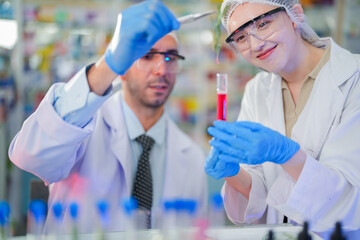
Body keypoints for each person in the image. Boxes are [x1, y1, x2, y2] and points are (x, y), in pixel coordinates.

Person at [8, 0, 207, 233]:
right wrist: (107, 66)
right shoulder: (81, 129)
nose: (161, 70)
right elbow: (29, 156)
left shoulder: (192, 158)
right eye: (147, 56)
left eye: (170, 58)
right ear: (122, 67)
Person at [204, 0, 360, 238]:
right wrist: (233, 174)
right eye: (242, 38)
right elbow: (261, 197)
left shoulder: (353, 78)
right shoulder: (258, 89)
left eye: (264, 24)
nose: (255, 45)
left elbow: (351, 201)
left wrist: (287, 155)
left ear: (295, 13)